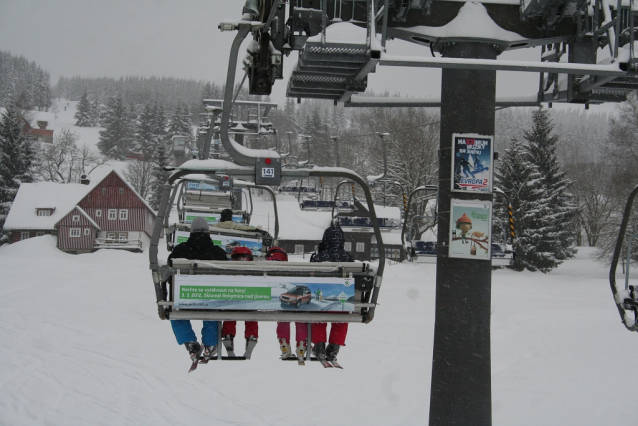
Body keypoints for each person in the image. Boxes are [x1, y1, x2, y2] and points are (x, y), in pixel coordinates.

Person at [168, 217, 228, 361]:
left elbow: (169, 273)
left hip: (184, 297)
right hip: (210, 298)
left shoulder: (180, 250)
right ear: (208, 233)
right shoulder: (217, 252)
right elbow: (227, 275)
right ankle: (209, 343)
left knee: (176, 311)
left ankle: (188, 340)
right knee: (212, 311)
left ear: (191, 233)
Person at [309, 224, 354, 362]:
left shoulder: (318, 257)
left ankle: (319, 345)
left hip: (322, 300)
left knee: (318, 316)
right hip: (342, 301)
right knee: (341, 319)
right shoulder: (348, 258)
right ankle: (334, 347)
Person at [267, 247, 309, 359]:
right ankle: (301, 344)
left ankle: (284, 343)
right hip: (295, 302)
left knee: (283, 320)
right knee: (301, 319)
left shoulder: (266, 270)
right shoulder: (289, 271)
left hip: (285, 302)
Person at [220, 246, 259, 357]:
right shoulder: (254, 271)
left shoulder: (229, 271)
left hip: (233, 298)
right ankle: (251, 336)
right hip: (249, 300)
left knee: (229, 313)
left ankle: (228, 334)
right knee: (252, 314)